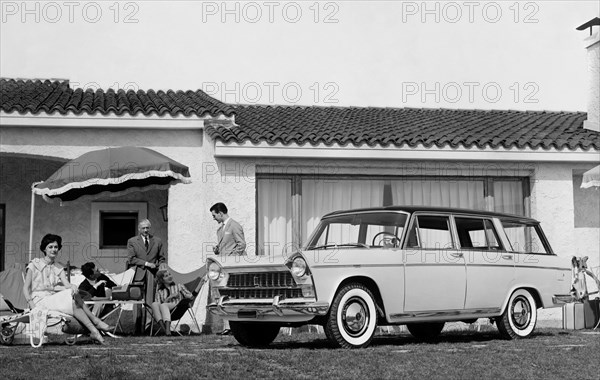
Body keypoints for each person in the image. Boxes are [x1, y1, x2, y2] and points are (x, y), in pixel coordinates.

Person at [23, 234, 113, 345]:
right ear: (44, 248)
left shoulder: (58, 267)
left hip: (51, 300)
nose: (54, 249)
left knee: (73, 295)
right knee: (72, 297)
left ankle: (94, 330)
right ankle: (96, 323)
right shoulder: (34, 264)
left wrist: (73, 286)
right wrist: (32, 306)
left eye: (56, 247)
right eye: (50, 247)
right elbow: (25, 289)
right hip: (38, 301)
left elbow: (66, 284)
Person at [210, 202, 246, 334]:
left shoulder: (234, 225)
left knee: (233, 294)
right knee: (223, 294)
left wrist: (232, 259)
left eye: (214, 215)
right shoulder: (220, 229)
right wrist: (217, 249)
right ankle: (227, 327)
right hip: (223, 267)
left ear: (220, 213)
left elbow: (241, 245)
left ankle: (235, 327)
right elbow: (225, 246)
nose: (213, 218)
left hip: (234, 266)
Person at [126, 219, 166, 333]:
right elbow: (131, 258)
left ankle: (148, 328)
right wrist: (147, 263)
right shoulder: (132, 241)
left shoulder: (157, 241)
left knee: (150, 301)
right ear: (139, 229)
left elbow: (162, 258)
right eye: (143, 228)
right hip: (138, 273)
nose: (145, 230)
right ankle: (136, 328)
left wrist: (157, 265)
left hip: (151, 274)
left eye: (147, 228)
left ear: (150, 228)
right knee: (137, 302)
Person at [150, 269, 192, 336]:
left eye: (170, 274)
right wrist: (169, 297)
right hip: (164, 312)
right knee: (154, 304)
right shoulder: (159, 292)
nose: (169, 277)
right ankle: (166, 330)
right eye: (166, 276)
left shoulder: (178, 286)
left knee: (164, 305)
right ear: (162, 279)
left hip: (176, 309)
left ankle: (166, 330)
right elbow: (159, 305)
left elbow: (190, 296)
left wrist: (184, 294)